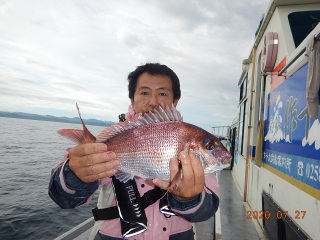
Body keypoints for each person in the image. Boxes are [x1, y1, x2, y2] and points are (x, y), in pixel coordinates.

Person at [49, 63, 220, 240]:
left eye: (162, 93)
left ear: (175, 101)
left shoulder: (189, 138)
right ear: (132, 100)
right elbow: (64, 199)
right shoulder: (112, 138)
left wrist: (189, 198)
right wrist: (74, 174)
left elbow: (206, 210)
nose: (153, 102)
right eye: (145, 92)